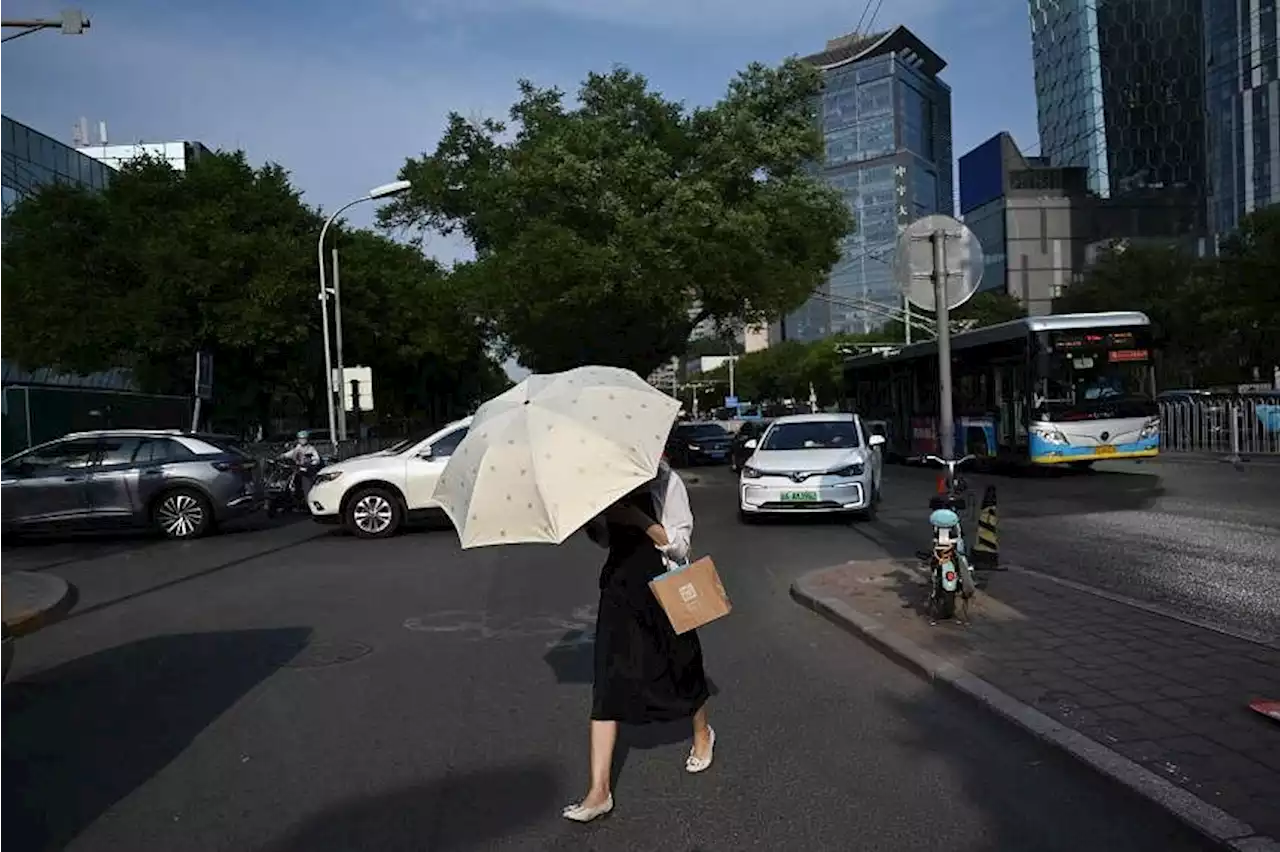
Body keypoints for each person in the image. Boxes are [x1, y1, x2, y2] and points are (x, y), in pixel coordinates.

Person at [563, 460, 713, 823]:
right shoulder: (608, 480)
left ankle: (702, 733)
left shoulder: (667, 482)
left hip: (663, 586)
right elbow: (604, 539)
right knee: (608, 678)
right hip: (619, 589)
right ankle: (599, 792)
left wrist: (638, 519)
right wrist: (591, 522)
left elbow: (679, 546)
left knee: (681, 663)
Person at [279, 430, 321, 501]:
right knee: (292, 481)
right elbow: (291, 453)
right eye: (300, 439)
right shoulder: (298, 447)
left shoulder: (310, 448)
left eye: (304, 438)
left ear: (307, 439)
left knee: (306, 485)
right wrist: (283, 456)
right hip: (297, 469)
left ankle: (308, 500)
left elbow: (317, 459)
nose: (302, 440)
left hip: (307, 471)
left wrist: (311, 462)